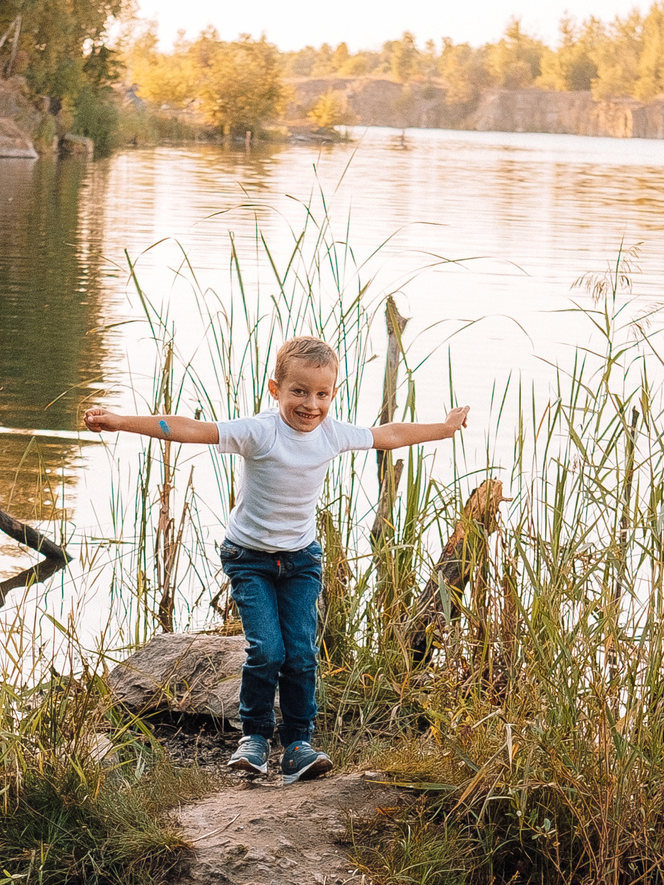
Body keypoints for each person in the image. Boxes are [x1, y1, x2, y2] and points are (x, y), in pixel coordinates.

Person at [83, 333, 469, 781]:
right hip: (250, 558)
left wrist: (444, 428)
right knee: (267, 650)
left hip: (302, 561)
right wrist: (118, 422)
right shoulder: (259, 431)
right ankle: (255, 738)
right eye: (299, 392)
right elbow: (188, 428)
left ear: (333, 394)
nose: (311, 405)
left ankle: (299, 744)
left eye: (321, 394)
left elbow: (389, 435)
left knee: (301, 652)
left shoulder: (331, 434)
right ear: (276, 390)